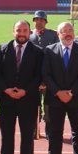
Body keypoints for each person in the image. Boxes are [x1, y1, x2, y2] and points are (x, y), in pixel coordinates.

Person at [0, 20, 44, 154]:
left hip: (28, 99)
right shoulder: (2, 48)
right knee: (6, 133)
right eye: (18, 30)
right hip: (6, 98)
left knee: (27, 135)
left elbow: (39, 75)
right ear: (13, 31)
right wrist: (6, 89)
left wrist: (25, 91)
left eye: (25, 30)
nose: (21, 33)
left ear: (30, 32)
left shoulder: (38, 51)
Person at [41, 21, 78, 154]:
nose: (68, 33)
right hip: (55, 99)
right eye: (64, 31)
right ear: (58, 34)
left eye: (70, 30)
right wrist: (58, 92)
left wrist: (71, 92)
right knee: (55, 133)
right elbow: (46, 74)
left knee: (77, 133)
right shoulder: (49, 51)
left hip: (76, 98)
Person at [29, 10, 59, 140]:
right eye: (37, 20)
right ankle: (35, 129)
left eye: (41, 20)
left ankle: (49, 130)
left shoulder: (52, 35)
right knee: (34, 104)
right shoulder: (29, 36)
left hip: (49, 77)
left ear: (45, 22)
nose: (39, 22)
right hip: (33, 77)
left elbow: (56, 55)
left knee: (48, 105)